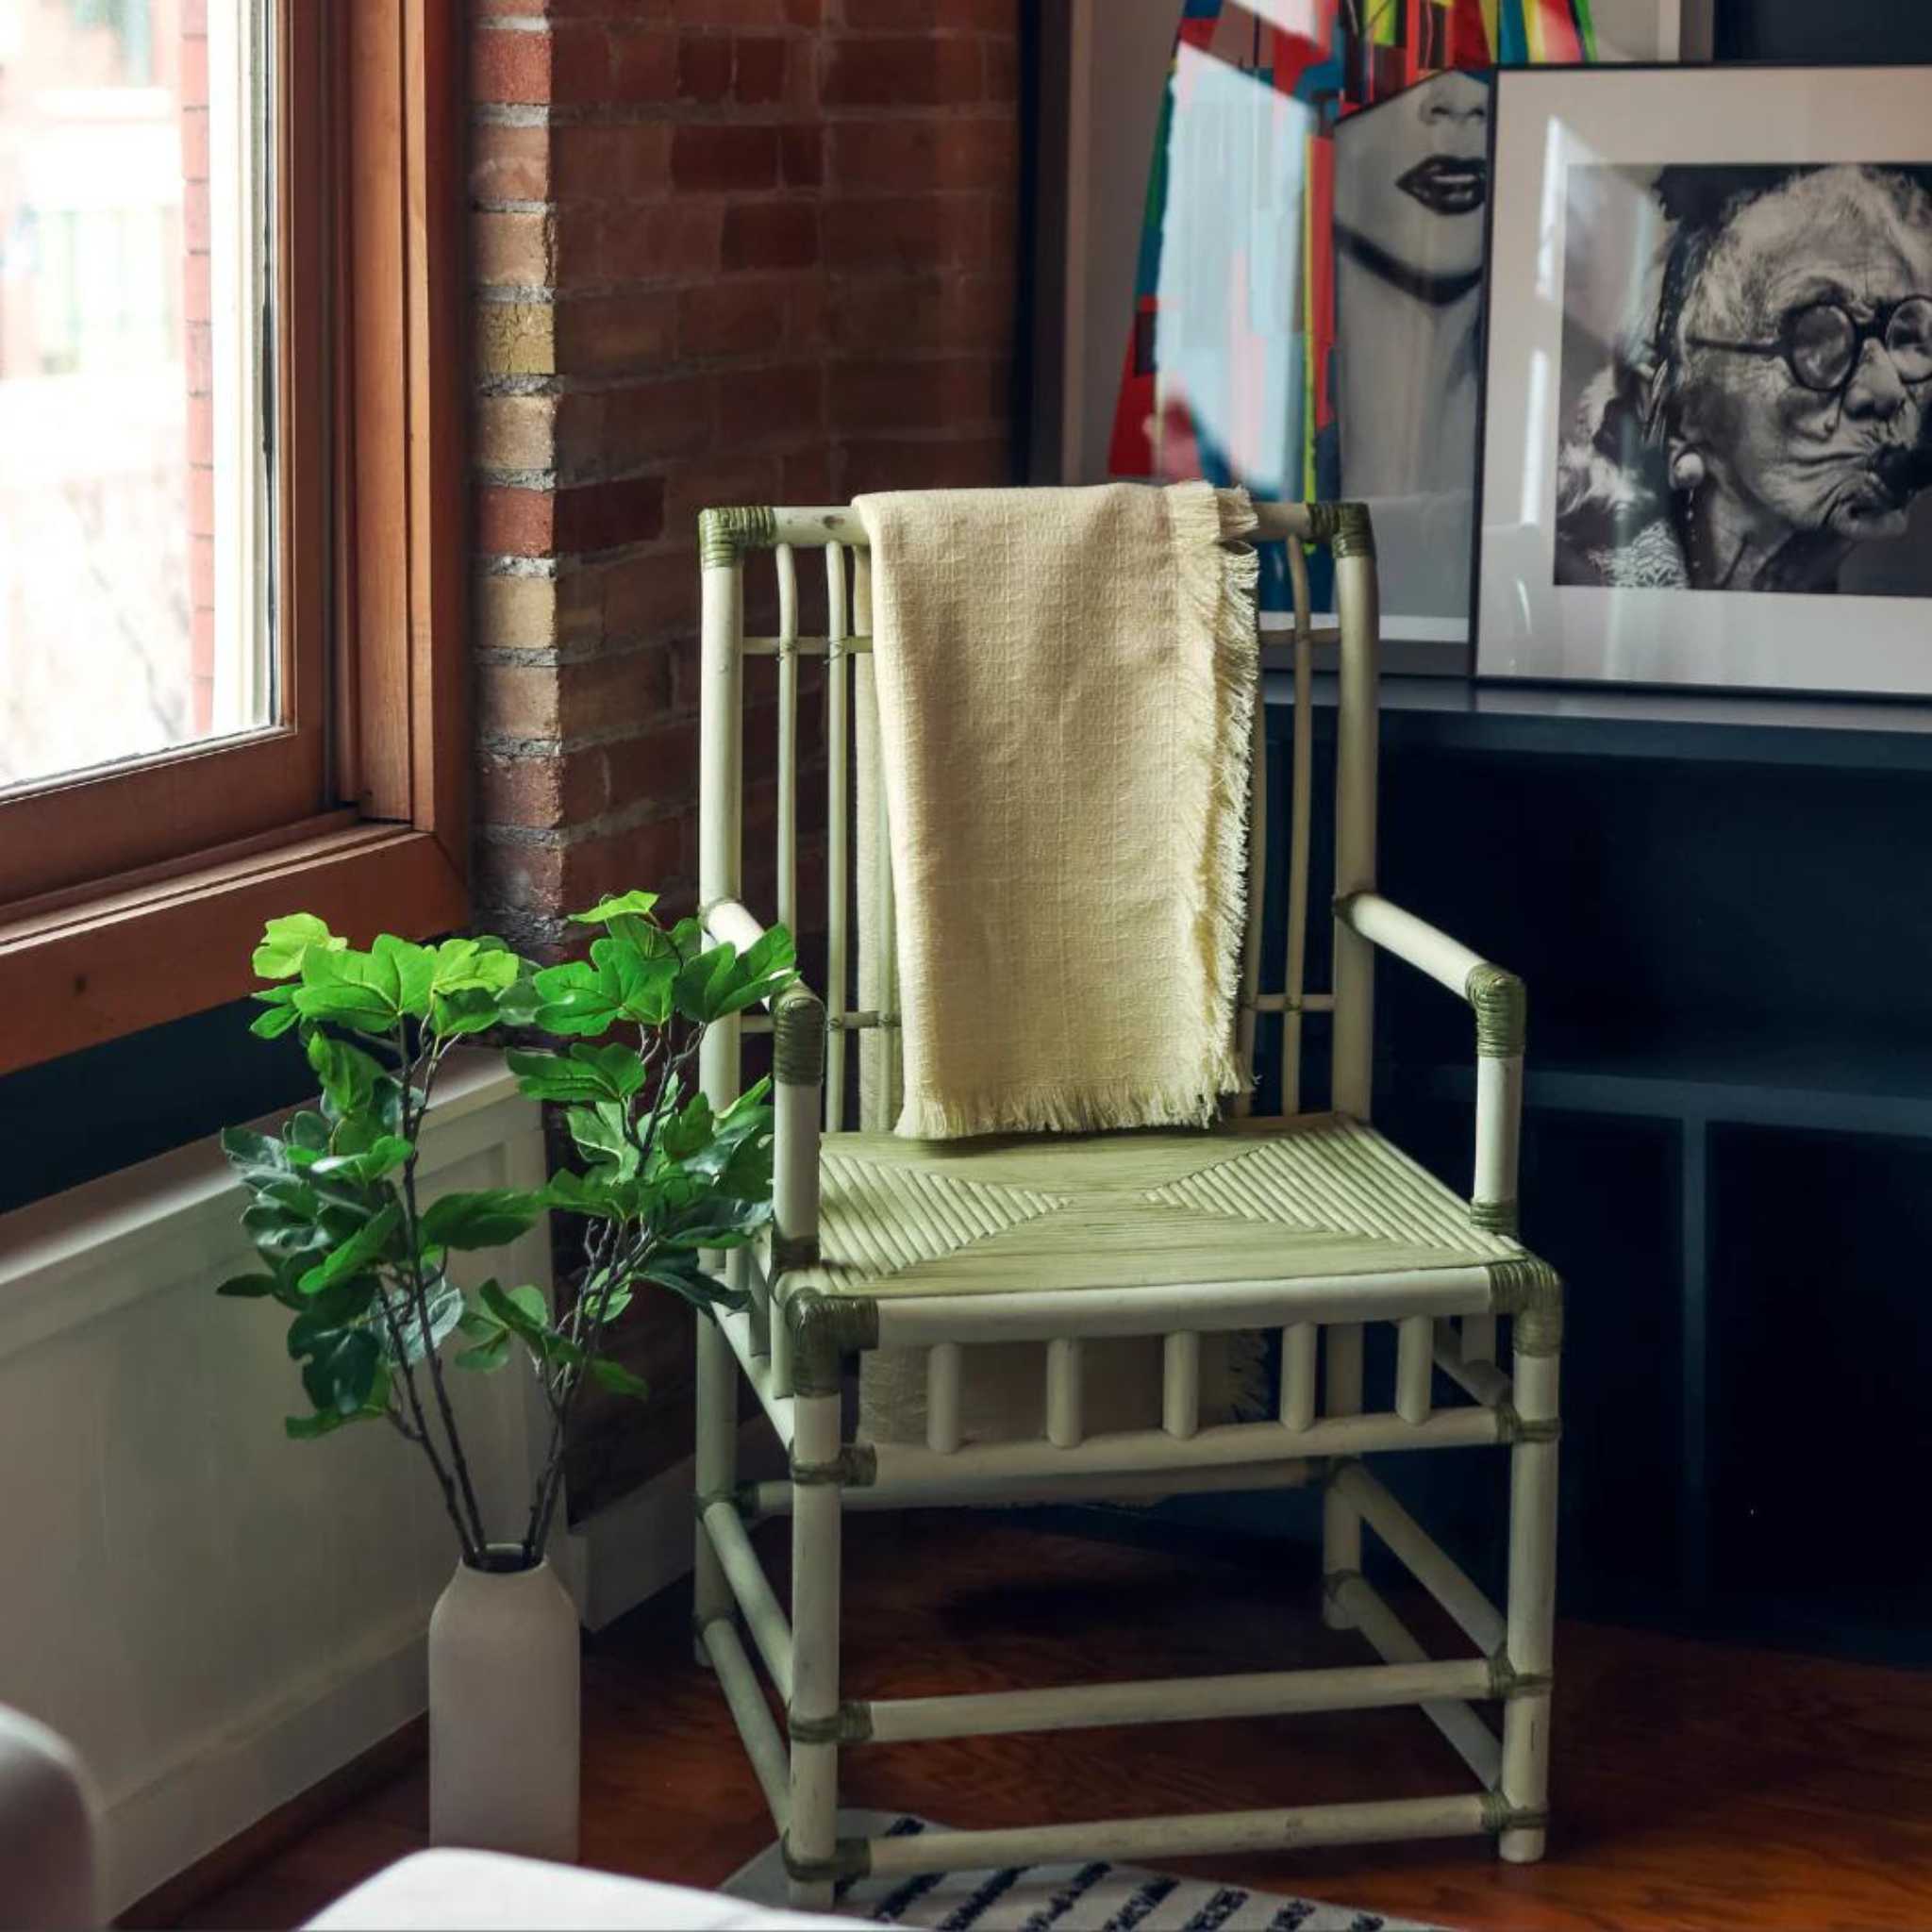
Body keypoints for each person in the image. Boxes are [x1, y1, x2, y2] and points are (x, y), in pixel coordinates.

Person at [1556, 163, 1932, 593]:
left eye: (1903, 335)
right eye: (1818, 342)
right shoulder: (1582, 587)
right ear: (1680, 410)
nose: (1889, 389)